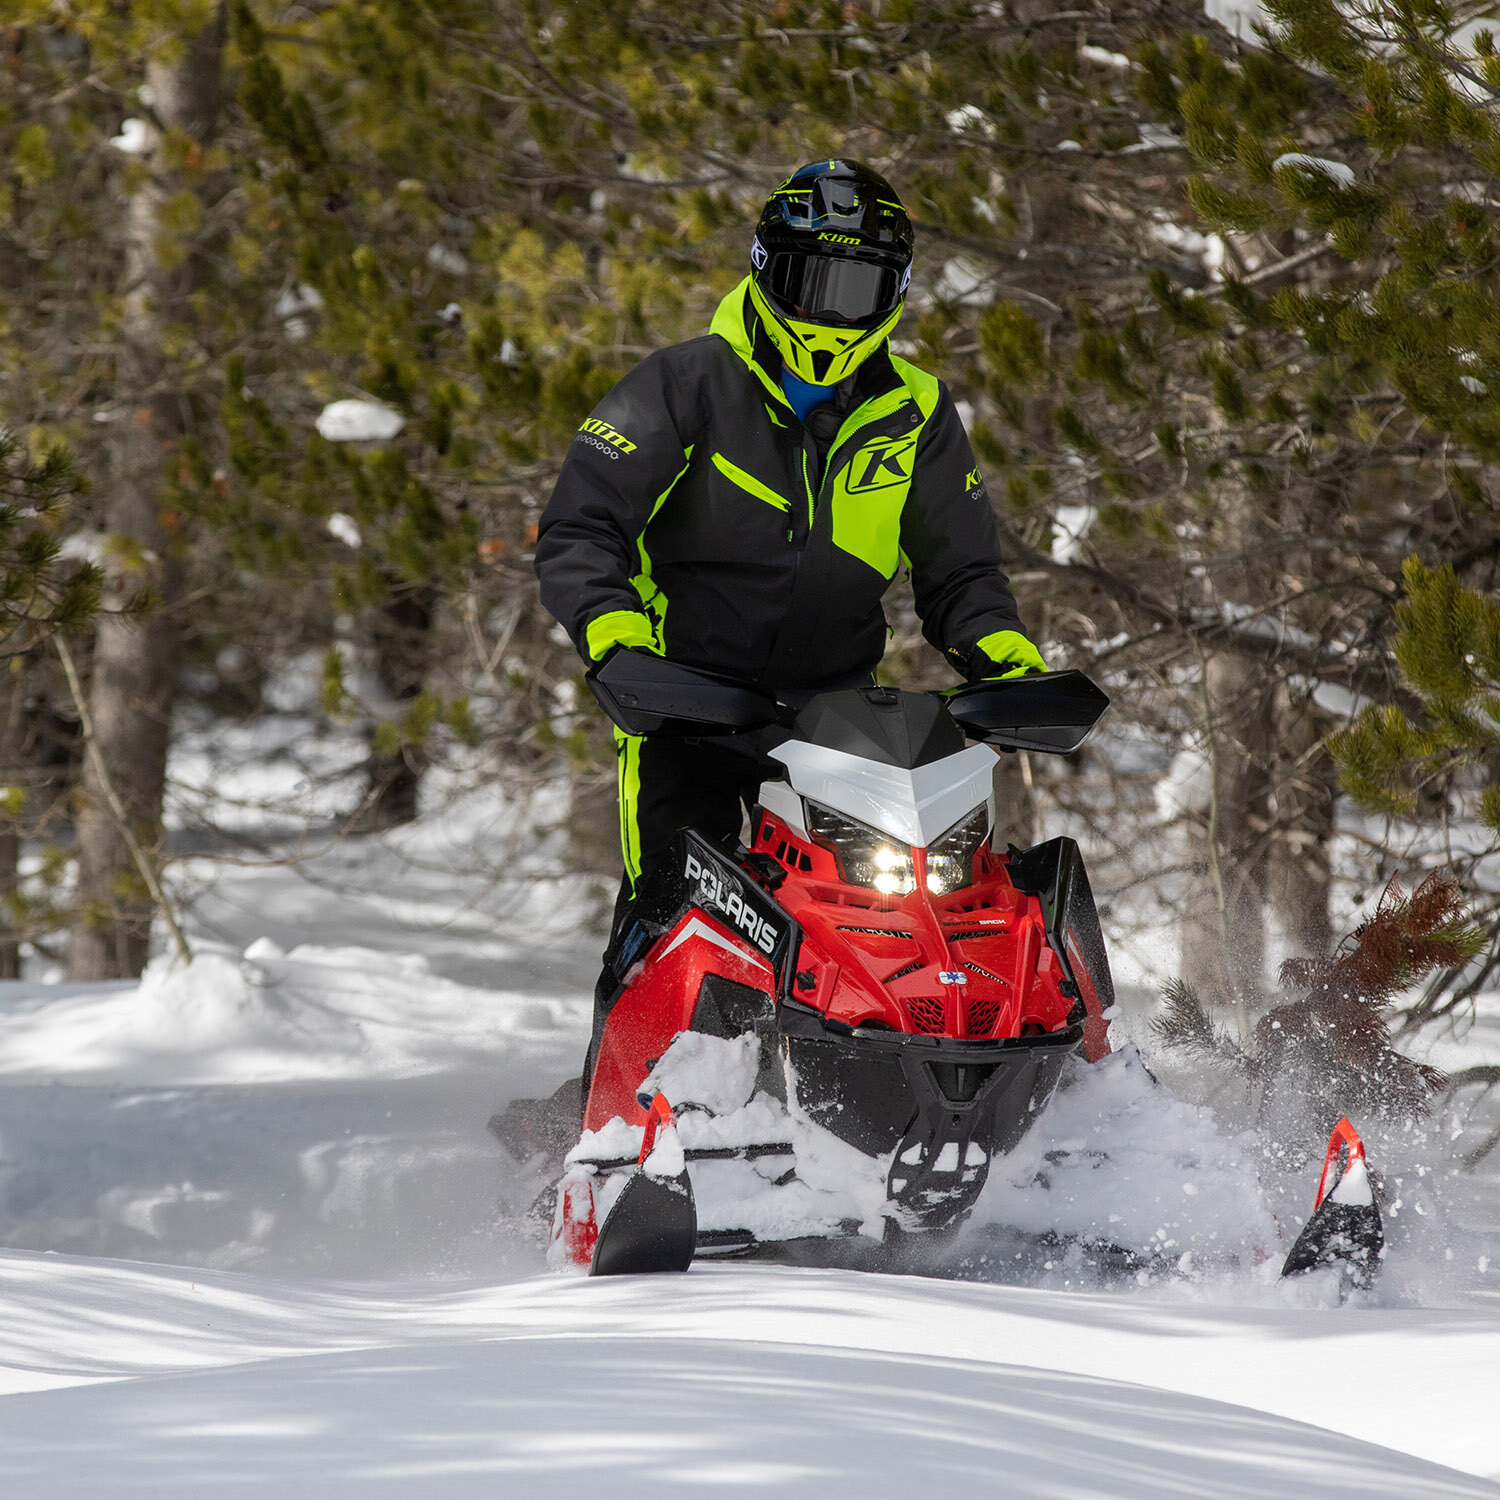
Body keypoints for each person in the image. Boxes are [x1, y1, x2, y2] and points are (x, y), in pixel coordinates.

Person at [534, 159, 1046, 1089]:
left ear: (892, 294)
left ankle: (928, 1097)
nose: (833, 313)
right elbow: (582, 526)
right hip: (684, 702)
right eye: (814, 282)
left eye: (857, 288)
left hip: (837, 722)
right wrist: (614, 637)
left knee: (889, 914)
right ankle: (616, 1130)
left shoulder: (917, 411)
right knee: (667, 908)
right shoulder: (685, 384)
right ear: (768, 272)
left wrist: (1006, 662)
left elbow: (961, 569)